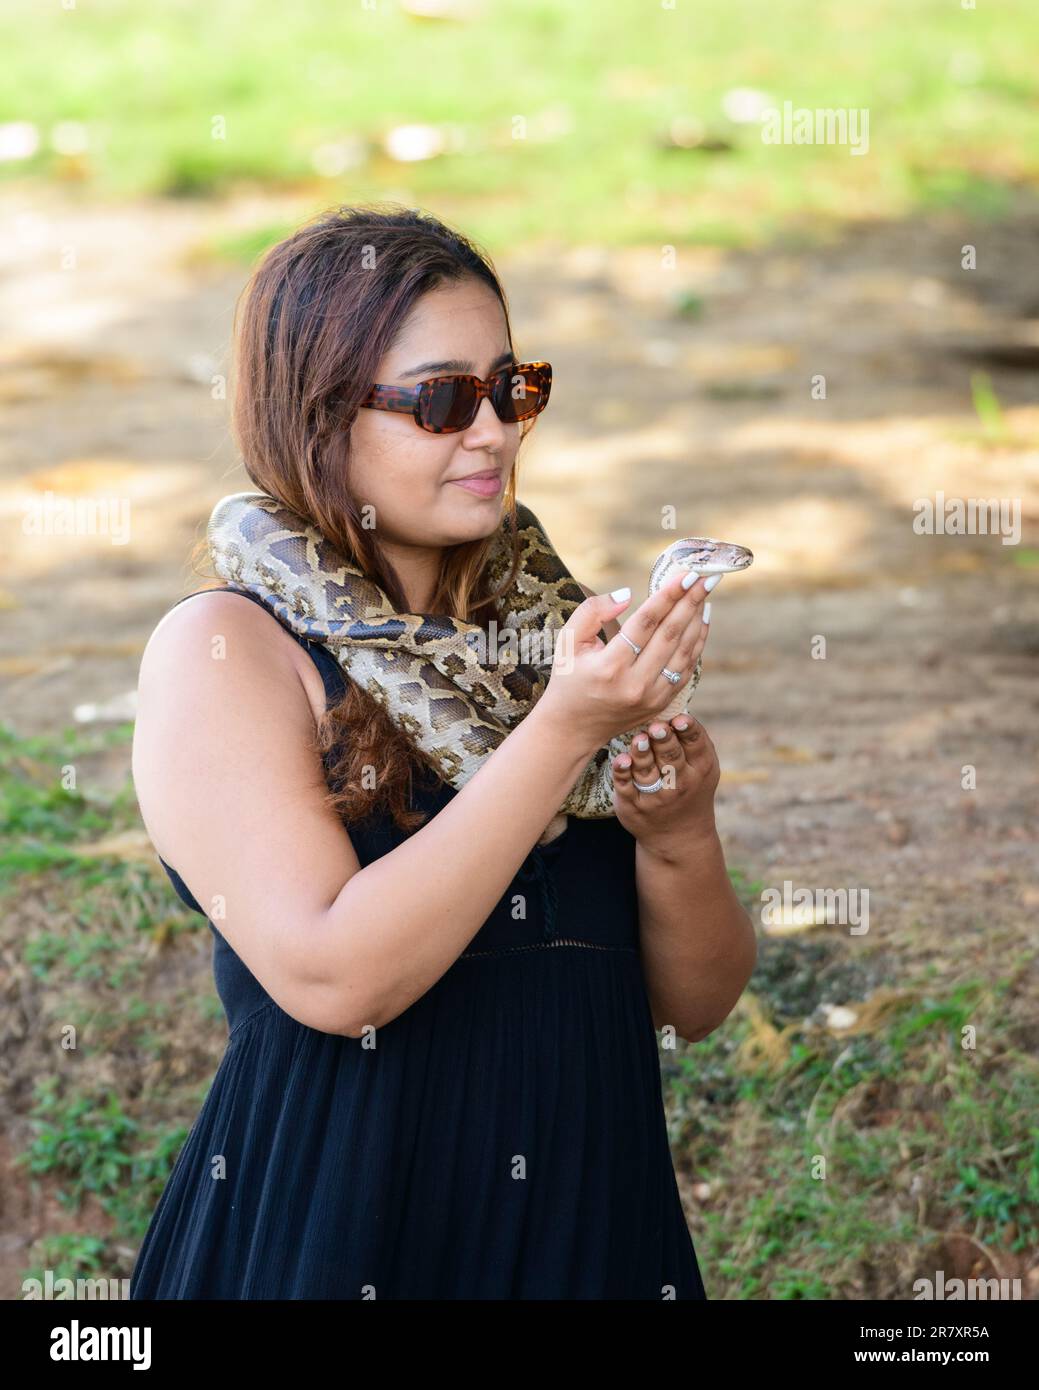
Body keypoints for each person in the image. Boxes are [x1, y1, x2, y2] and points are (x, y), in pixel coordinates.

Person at [128, 203, 756, 1300]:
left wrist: (677, 833)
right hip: (338, 1232)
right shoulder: (226, 651)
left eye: (513, 388)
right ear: (318, 416)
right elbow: (336, 975)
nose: (497, 433)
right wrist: (564, 731)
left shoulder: (542, 652)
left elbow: (691, 1007)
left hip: (589, 1234)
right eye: (441, 400)